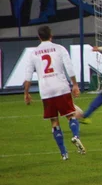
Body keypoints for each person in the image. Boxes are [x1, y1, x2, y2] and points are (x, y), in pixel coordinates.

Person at [24, 25, 85, 160]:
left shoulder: (33, 53)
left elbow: (28, 76)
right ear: (51, 35)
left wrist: (26, 93)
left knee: (54, 121)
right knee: (70, 115)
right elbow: (69, 67)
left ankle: (64, 153)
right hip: (61, 87)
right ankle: (75, 136)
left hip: (46, 90)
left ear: (39, 37)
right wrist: (75, 84)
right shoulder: (59, 48)